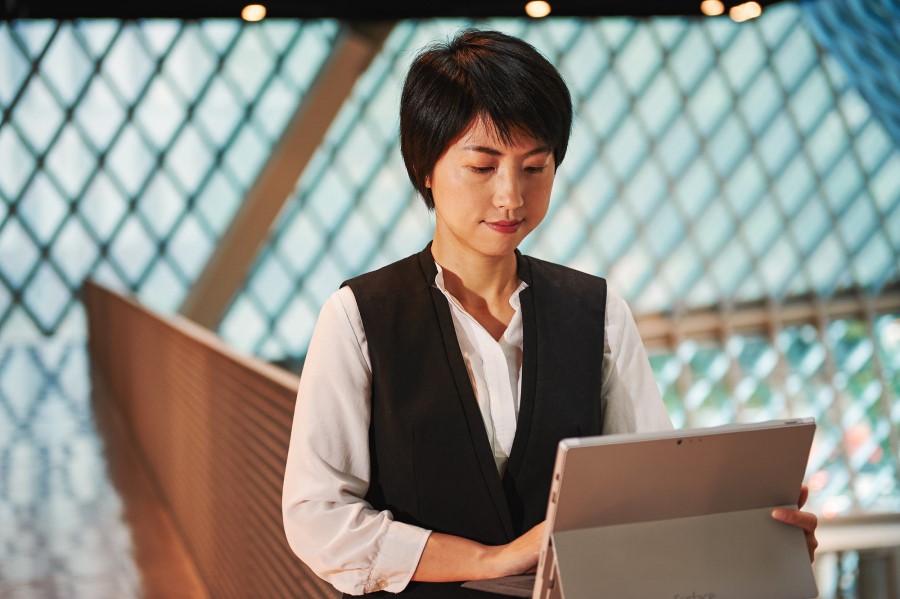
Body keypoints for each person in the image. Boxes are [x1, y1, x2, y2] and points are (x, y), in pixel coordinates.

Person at [282, 28, 818, 597]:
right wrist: (491, 561)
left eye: (534, 168)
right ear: (425, 169)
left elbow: (650, 497)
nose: (511, 196)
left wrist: (748, 540)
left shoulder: (599, 312)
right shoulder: (359, 317)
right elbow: (319, 517)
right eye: (482, 167)